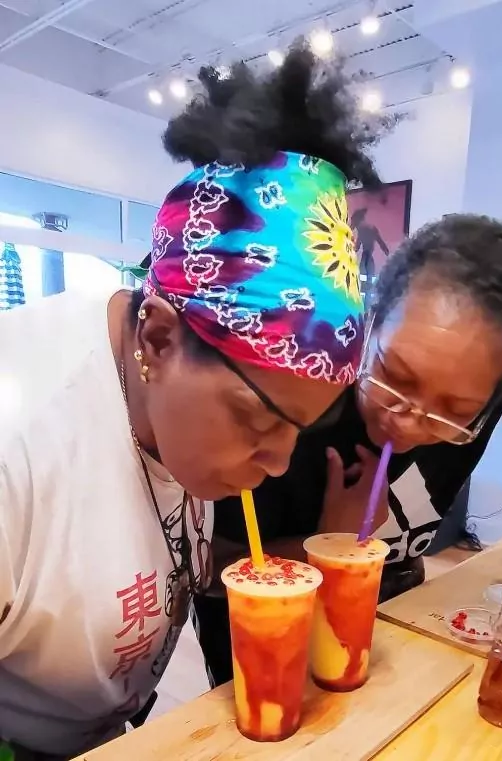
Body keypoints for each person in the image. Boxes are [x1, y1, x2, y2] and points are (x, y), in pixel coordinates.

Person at [0, 43, 385, 759]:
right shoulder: (18, 442)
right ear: (159, 336)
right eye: (257, 419)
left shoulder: (176, 411)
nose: (277, 464)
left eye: (297, 429)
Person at [198, 213, 502, 685]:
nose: (407, 423)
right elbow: (201, 570)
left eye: (453, 410)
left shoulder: (480, 411)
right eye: (395, 376)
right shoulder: (293, 396)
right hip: (265, 662)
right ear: (368, 325)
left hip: (389, 646)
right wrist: (330, 545)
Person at [351, 206, 390, 308]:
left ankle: (365, 307)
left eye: (356, 224)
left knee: (365, 284)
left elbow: (357, 247)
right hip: (366, 258)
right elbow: (380, 243)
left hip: (366, 258)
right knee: (366, 284)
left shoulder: (364, 229)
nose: (356, 227)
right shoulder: (369, 229)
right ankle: (365, 307)